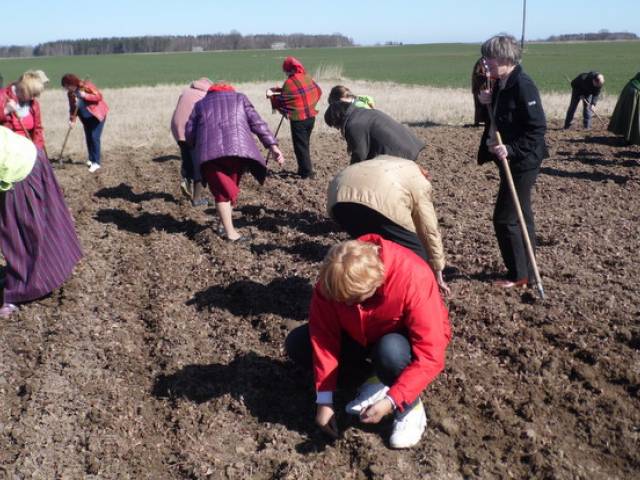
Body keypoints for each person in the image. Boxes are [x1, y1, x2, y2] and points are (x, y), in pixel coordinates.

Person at [285, 235, 451, 448]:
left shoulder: (412, 275)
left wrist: (392, 401)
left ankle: (410, 406)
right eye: (342, 302)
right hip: (360, 335)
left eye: (354, 300)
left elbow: (430, 353)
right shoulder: (333, 280)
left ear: (377, 281)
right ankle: (373, 380)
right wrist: (324, 400)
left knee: (389, 352)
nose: (347, 305)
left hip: (398, 340)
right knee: (299, 344)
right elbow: (323, 337)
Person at [477, 35, 548, 289]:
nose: (485, 63)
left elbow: (537, 128)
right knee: (522, 216)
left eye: (489, 58)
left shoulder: (523, 85)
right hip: (513, 158)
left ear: (506, 58)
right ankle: (528, 270)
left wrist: (510, 148)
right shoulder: (501, 82)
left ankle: (518, 275)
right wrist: (488, 101)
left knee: (505, 218)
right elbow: (503, 116)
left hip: (523, 160)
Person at [327, 155, 449, 294]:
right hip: (379, 198)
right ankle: (416, 294)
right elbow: (428, 228)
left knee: (370, 250)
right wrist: (437, 270)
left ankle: (355, 288)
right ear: (426, 175)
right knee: (416, 257)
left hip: (339, 196)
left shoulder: (393, 162)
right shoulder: (419, 181)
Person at [0, 126, 83, 318]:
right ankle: (40, 271)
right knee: (35, 223)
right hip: (28, 152)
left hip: (18, 166)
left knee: (16, 231)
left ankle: (20, 290)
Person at [185, 82, 284, 242]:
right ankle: (231, 233)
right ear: (230, 92)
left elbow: (189, 133)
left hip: (211, 155)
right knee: (226, 193)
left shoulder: (200, 105)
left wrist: (194, 144)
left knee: (223, 193)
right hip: (237, 152)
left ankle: (222, 226)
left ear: (211, 93)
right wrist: (273, 146)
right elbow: (257, 123)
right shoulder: (240, 99)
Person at [267, 56, 322, 179]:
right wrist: (311, 105)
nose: (285, 73)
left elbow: (284, 100)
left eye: (286, 71)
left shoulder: (289, 83)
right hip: (311, 117)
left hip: (298, 120)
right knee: (305, 144)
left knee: (300, 146)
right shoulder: (307, 78)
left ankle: (306, 173)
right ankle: (304, 169)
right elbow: (318, 91)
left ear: (289, 70)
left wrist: (272, 96)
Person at [324, 101, 425, 164]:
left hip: (401, 156)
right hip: (411, 146)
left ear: (337, 119)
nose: (338, 129)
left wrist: (350, 174)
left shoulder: (354, 124)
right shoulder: (362, 112)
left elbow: (360, 154)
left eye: (335, 126)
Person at [170, 77, 213, 206]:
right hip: (191, 130)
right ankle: (197, 199)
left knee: (187, 156)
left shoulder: (186, 91)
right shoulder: (205, 95)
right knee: (199, 165)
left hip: (177, 129)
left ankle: (186, 178)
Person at [61, 74, 109, 173]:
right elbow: (72, 108)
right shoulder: (70, 94)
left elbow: (99, 96)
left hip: (96, 115)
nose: (66, 89)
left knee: (94, 137)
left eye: (66, 86)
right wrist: (72, 120)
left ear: (71, 83)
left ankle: (96, 163)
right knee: (88, 137)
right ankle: (91, 159)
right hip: (85, 117)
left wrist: (85, 96)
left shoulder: (86, 86)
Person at [0, 73, 46, 149]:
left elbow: (38, 130)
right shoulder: (2, 97)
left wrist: (37, 149)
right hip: (5, 148)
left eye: (35, 95)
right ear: (23, 88)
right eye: (32, 94)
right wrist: (5, 111)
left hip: (26, 150)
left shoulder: (34, 104)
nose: (33, 98)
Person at [608, 72, 640, 145]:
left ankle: (628, 136)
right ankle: (629, 138)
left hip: (629, 88)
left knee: (629, 114)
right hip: (635, 92)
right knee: (634, 116)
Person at [471, 58, 491, 126]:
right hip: (478, 88)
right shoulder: (479, 63)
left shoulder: (486, 62)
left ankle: (486, 121)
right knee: (478, 106)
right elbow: (476, 74)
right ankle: (477, 122)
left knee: (485, 106)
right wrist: (485, 75)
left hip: (485, 88)